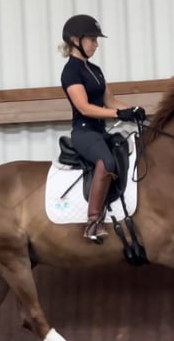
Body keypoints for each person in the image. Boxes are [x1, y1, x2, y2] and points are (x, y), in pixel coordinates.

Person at [59, 14, 146, 243]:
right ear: (76, 40)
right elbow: (85, 108)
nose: (96, 44)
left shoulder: (95, 70)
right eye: (92, 40)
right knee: (106, 162)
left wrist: (133, 109)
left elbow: (110, 101)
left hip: (100, 131)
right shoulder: (71, 72)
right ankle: (93, 222)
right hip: (84, 132)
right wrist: (119, 114)